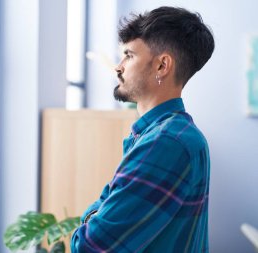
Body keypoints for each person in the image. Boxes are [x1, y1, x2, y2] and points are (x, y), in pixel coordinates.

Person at [70, 6, 214, 253]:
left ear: (162, 66)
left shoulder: (166, 142)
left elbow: (90, 246)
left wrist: (89, 216)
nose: (119, 66)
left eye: (129, 55)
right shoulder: (172, 134)